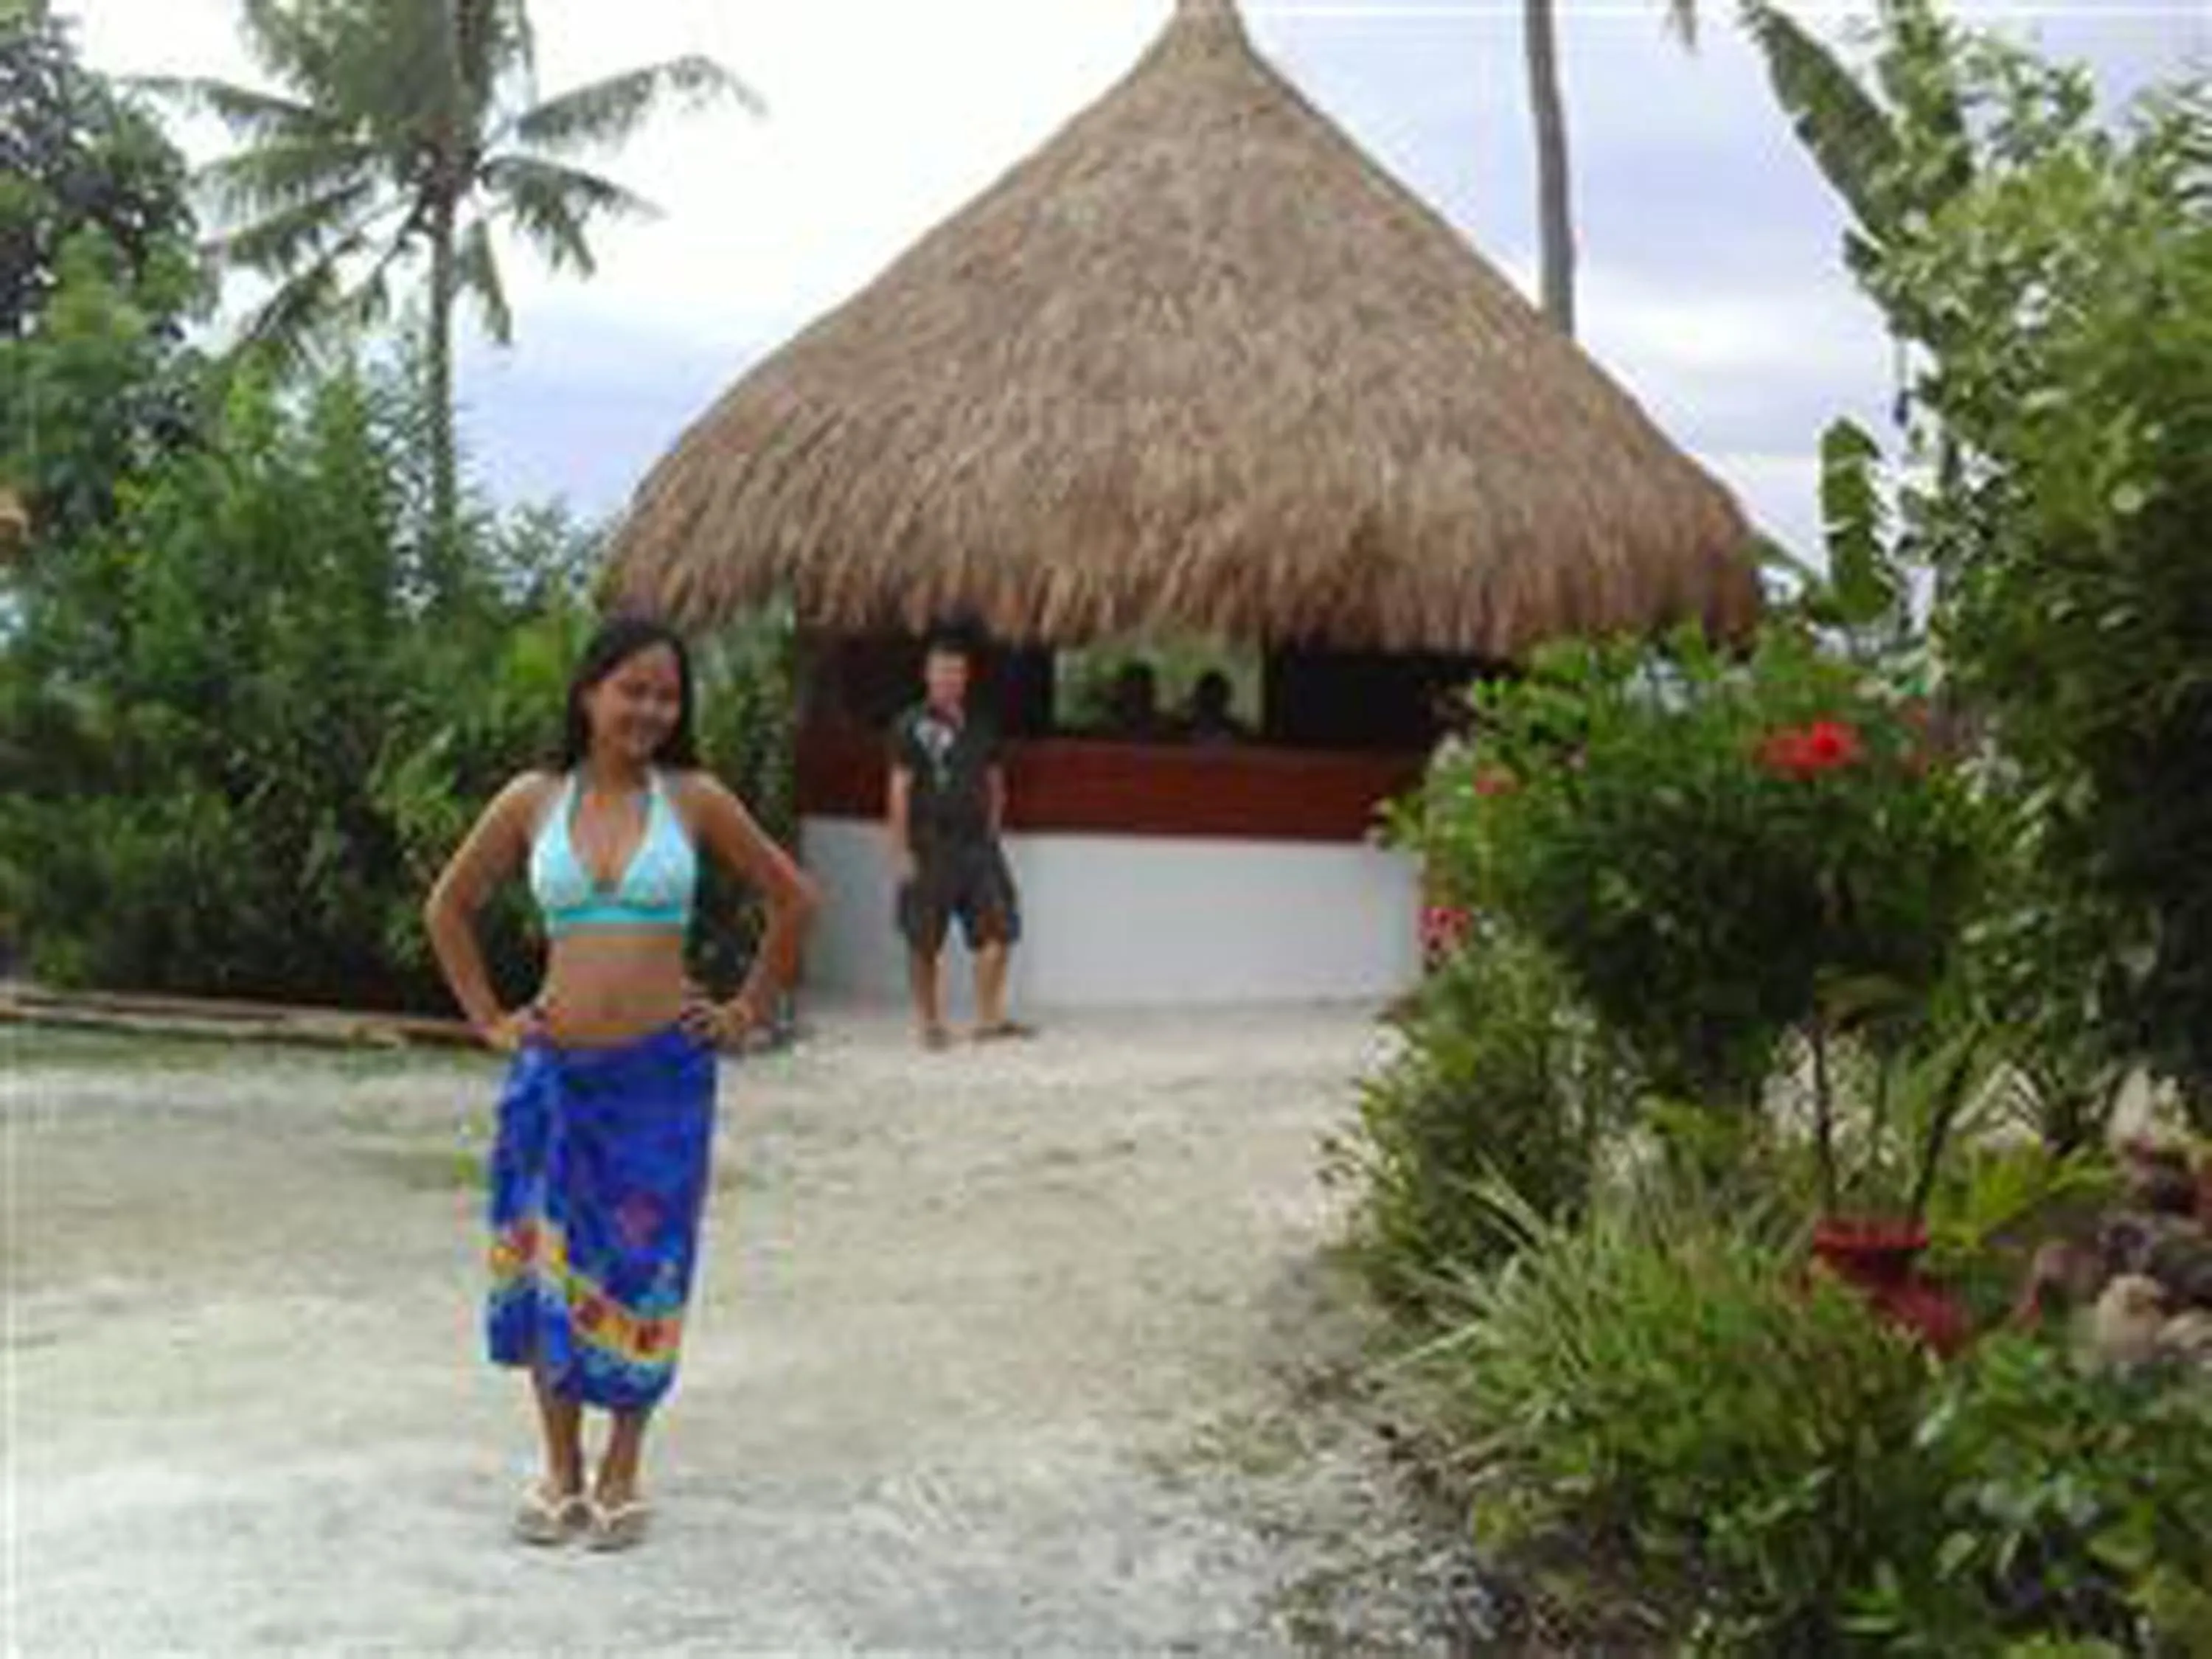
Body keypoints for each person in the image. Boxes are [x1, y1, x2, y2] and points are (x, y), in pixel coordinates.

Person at [422, 616, 818, 1551]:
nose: (649, 709)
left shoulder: (695, 799)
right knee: (549, 1269)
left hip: (660, 1083)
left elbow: (794, 899)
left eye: (666, 695)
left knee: (645, 1268)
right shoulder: (532, 800)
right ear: (588, 693)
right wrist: (489, 1020)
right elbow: (448, 907)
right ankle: (560, 1469)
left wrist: (745, 1010)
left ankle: (622, 1469)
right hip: (554, 1081)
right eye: (632, 689)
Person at [887, 630, 1031, 1049]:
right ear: (927, 674)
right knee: (924, 939)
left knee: (1001, 929)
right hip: (929, 843)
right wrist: (900, 849)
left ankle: (989, 1018)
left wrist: (993, 830)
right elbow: (899, 789)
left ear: (966, 677)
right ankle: (930, 1023)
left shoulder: (981, 724)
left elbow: (995, 780)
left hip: (977, 845)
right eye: (942, 671)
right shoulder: (910, 726)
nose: (950, 679)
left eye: (957, 672)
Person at [1183, 669, 1251, 745]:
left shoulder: (1237, 734)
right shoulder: (1182, 733)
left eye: (1213, 705)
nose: (1209, 714)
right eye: (1206, 704)